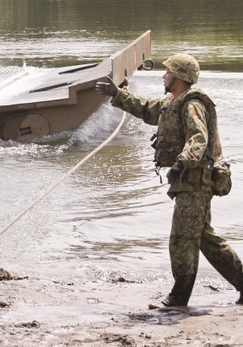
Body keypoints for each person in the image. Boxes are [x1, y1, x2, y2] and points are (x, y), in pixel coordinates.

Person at [95, 54, 243, 307]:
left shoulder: (192, 104)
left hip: (195, 179)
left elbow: (199, 138)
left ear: (178, 78)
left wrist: (181, 163)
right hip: (192, 180)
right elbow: (147, 109)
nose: (163, 76)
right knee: (204, 238)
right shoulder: (173, 101)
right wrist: (116, 94)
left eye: (167, 73)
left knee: (182, 238)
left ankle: (178, 297)